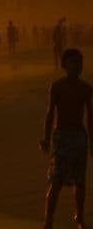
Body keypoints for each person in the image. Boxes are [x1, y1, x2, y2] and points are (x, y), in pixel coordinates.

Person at [40, 48, 93, 229]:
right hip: (61, 137)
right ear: (64, 65)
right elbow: (50, 114)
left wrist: (91, 143)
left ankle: (79, 217)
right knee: (56, 181)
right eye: (73, 63)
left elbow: (90, 118)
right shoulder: (57, 86)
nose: (77, 66)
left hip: (79, 137)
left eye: (80, 63)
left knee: (80, 181)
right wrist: (46, 139)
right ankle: (48, 220)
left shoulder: (86, 88)